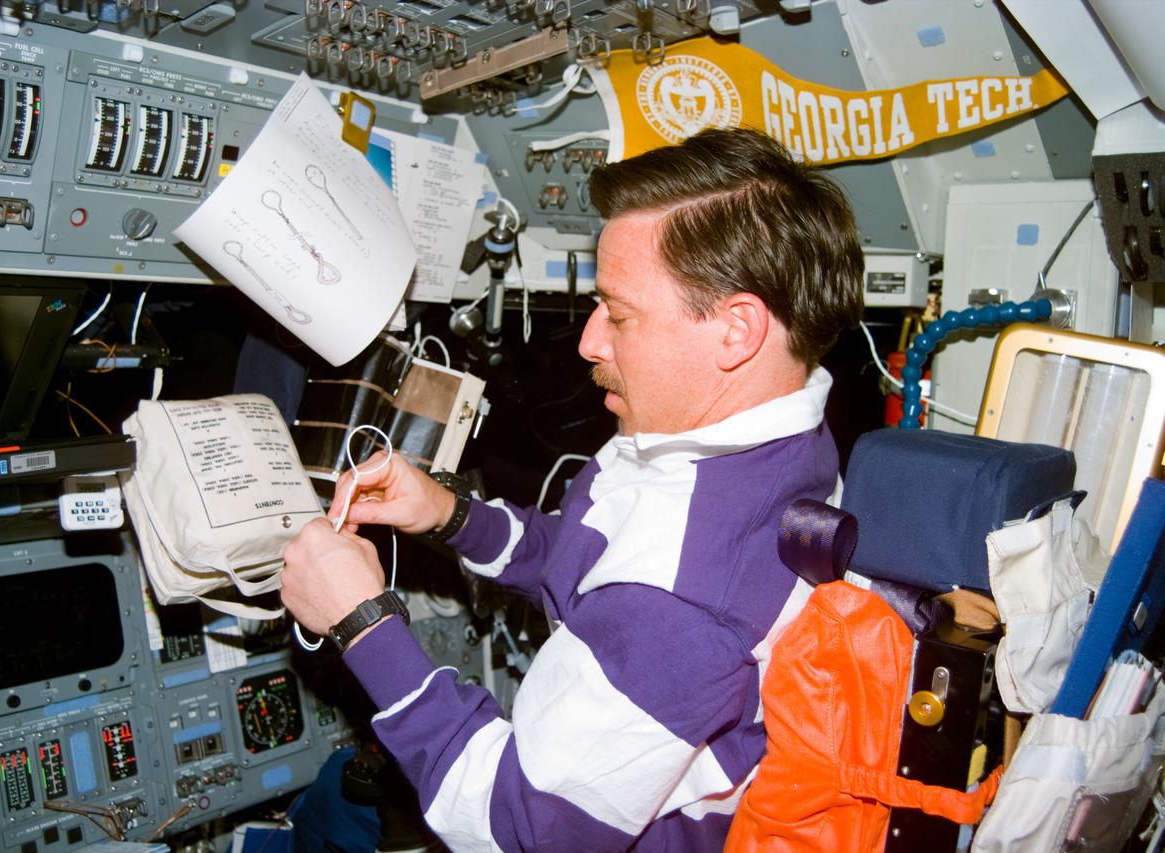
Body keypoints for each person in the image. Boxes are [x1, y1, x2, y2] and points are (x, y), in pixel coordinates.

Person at [280, 126, 864, 852]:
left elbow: (516, 826)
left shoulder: (689, 598)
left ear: (736, 330)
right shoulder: (766, 435)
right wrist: (449, 514)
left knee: (329, 811)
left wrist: (362, 622)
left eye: (619, 315)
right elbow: (591, 558)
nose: (591, 341)